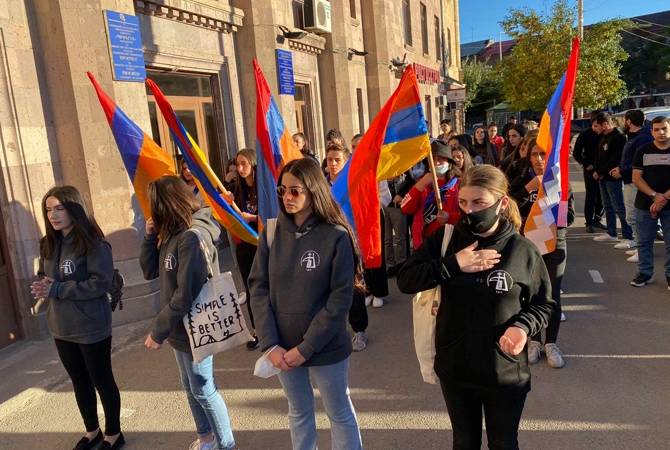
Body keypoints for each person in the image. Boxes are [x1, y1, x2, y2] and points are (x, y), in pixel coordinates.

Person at [397, 165, 555, 450]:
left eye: (479, 202)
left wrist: (522, 328)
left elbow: (543, 303)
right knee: (464, 441)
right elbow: (406, 280)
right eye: (463, 202)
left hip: (504, 372)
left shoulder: (522, 250)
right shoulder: (445, 240)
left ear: (501, 203)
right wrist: (453, 264)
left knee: (503, 443)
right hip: (456, 369)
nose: (470, 211)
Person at [249, 157, 364, 450]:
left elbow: (340, 300)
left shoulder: (336, 236)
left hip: (325, 345)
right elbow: (258, 288)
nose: (287, 197)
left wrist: (307, 347)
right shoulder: (272, 233)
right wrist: (270, 344)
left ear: (313, 190)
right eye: (282, 190)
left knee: (339, 414)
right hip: (282, 348)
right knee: (298, 413)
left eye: (295, 191)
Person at [140, 176, 237, 450]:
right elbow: (149, 270)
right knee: (191, 386)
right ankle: (206, 438)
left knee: (204, 389)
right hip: (180, 327)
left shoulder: (192, 236)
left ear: (167, 204)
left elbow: (187, 292)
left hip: (197, 325)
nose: (152, 211)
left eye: (154, 205)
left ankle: (226, 444)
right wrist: (149, 237)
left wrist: (158, 329)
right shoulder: (172, 234)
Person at [31, 185, 124, 450]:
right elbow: (45, 274)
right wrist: (42, 284)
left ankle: (114, 434)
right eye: (48, 209)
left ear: (74, 208)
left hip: (91, 325)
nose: (53, 215)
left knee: (101, 379)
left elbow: (100, 283)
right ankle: (92, 431)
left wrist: (57, 288)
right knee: (79, 381)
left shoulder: (94, 244)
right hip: (61, 326)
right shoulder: (47, 243)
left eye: (59, 208)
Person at [509, 138, 575, 369]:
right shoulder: (520, 179)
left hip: (555, 245)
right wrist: (529, 189)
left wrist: (553, 211)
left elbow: (570, 217)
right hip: (527, 246)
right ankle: (534, 341)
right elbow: (508, 206)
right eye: (535, 154)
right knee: (530, 293)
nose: (539, 159)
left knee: (552, 294)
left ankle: (552, 343)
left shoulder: (560, 181)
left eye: (544, 154)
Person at [324, 141, 372, 346]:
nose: (333, 164)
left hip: (351, 244)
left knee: (354, 289)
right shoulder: (321, 186)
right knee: (328, 292)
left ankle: (359, 330)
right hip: (325, 245)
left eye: (338, 160)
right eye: (330, 160)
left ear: (346, 162)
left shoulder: (354, 186)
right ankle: (330, 331)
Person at [630, 116, 670, 288]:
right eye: (656, 129)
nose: (661, 133)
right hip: (645, 204)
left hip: (669, 203)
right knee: (644, 242)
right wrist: (655, 196)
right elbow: (636, 178)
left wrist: (664, 198)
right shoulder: (643, 151)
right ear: (651, 131)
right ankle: (645, 273)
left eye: (664, 128)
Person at [401, 141, 462, 251]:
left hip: (451, 243)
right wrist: (420, 185)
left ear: (449, 162)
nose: (436, 163)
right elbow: (405, 208)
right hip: (424, 243)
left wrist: (449, 217)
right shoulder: (421, 183)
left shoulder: (459, 185)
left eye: (441, 159)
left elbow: (467, 216)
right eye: (432, 159)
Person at [613, 110, 654, 262]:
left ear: (629, 121)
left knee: (636, 216)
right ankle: (638, 244)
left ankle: (642, 249)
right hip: (630, 181)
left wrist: (622, 170)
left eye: (625, 120)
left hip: (636, 182)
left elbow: (639, 162)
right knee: (632, 215)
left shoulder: (642, 138)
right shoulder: (635, 137)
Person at [231, 148, 261, 350]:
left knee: (265, 287)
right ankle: (257, 330)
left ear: (252, 163)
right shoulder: (235, 190)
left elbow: (273, 215)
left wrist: (251, 218)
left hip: (262, 243)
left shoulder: (263, 187)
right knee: (250, 287)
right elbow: (232, 215)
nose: (241, 169)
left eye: (244, 164)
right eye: (238, 165)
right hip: (244, 246)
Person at [592, 112, 633, 243]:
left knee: (619, 207)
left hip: (613, 178)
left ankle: (628, 235)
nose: (595, 128)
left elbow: (615, 159)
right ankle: (612, 232)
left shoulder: (619, 137)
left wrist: (601, 171)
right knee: (607, 206)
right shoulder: (602, 137)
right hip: (602, 178)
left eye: (596, 125)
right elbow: (599, 157)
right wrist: (596, 170)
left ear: (605, 124)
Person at [573, 119, 605, 233]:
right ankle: (589, 222)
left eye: (599, 125)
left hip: (603, 169)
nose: (597, 128)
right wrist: (586, 164)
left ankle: (598, 218)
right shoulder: (585, 134)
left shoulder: (605, 134)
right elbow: (576, 152)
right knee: (591, 195)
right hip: (590, 169)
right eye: (595, 126)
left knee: (602, 196)